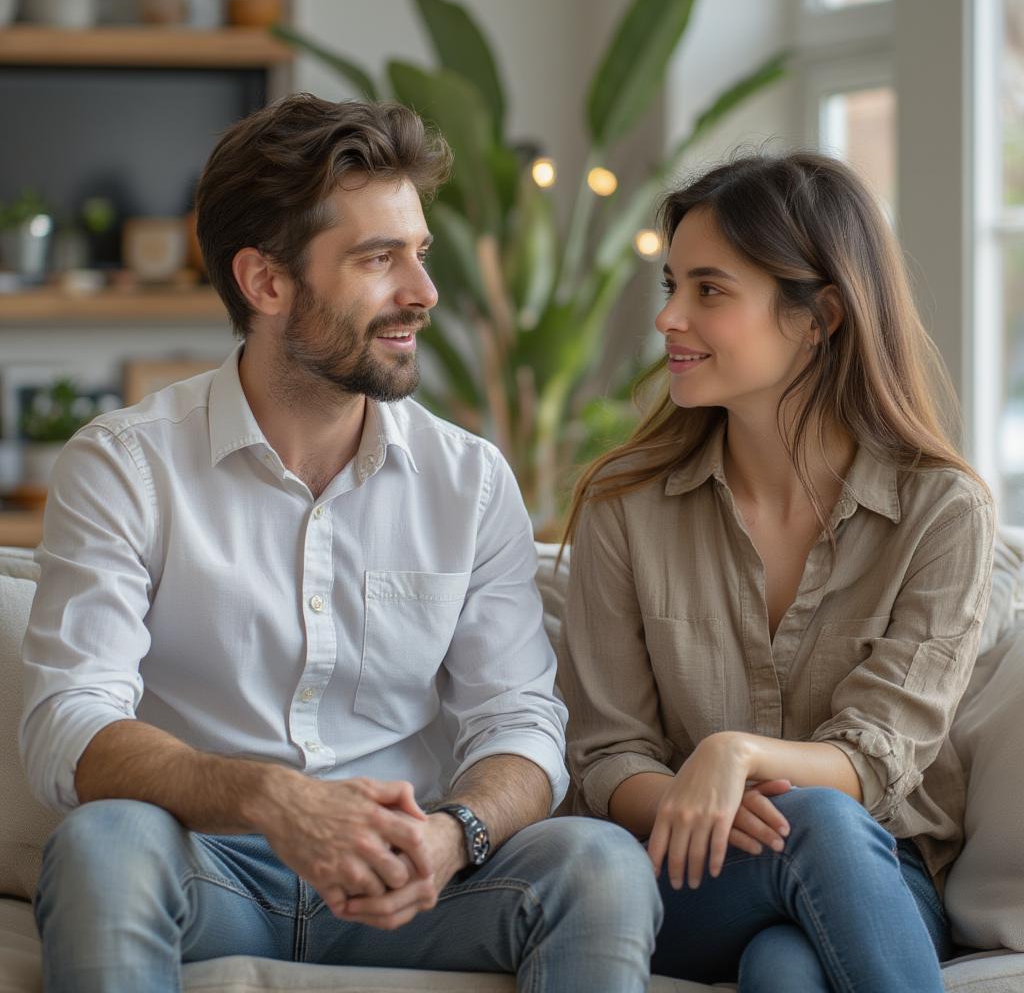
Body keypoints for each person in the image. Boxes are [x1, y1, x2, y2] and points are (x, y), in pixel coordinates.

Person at [19, 94, 661, 993]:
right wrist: (272, 801)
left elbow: (519, 722)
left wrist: (454, 835)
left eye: (420, 254)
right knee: (103, 841)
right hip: (213, 870)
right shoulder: (127, 465)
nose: (423, 294)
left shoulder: (469, 481)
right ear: (267, 282)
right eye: (377, 259)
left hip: (414, 886)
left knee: (596, 861)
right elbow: (69, 724)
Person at [557, 151, 995, 992]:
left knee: (787, 970)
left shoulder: (941, 511)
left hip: (883, 875)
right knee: (816, 824)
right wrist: (711, 797)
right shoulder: (625, 504)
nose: (669, 320)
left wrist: (736, 754)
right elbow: (609, 754)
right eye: (670, 286)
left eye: (709, 291)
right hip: (688, 877)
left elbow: (882, 756)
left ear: (818, 316)